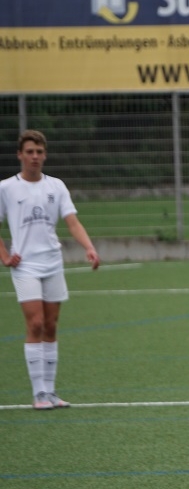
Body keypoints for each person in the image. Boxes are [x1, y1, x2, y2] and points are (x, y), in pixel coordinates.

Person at [0, 129, 100, 410]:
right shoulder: (7, 188)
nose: (35, 157)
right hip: (26, 266)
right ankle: (38, 393)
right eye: (29, 151)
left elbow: (72, 223)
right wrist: (5, 256)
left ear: (45, 155)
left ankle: (51, 391)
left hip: (52, 262)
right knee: (35, 324)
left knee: (52, 325)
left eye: (39, 152)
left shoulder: (56, 186)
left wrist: (89, 247)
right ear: (20, 154)